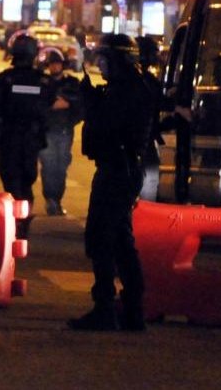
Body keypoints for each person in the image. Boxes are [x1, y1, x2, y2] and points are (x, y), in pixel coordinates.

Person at [69, 33, 157, 331]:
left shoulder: (127, 91)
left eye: (104, 59)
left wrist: (89, 100)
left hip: (117, 170)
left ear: (117, 60)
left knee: (100, 238)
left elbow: (107, 125)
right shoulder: (133, 86)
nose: (100, 65)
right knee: (120, 240)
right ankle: (133, 310)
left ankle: (105, 308)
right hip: (123, 169)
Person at [0, 32, 48, 239]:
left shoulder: (4, 79)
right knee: (27, 181)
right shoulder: (42, 81)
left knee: (11, 180)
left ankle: (16, 220)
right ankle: (23, 220)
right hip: (32, 139)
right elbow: (51, 106)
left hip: (9, 138)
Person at [39, 48, 84, 216]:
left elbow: (80, 105)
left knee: (61, 167)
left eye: (57, 64)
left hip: (65, 131)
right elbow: (39, 104)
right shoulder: (42, 82)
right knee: (49, 166)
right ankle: (51, 199)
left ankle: (56, 199)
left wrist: (70, 113)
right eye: (51, 64)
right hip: (47, 131)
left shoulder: (71, 83)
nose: (54, 67)